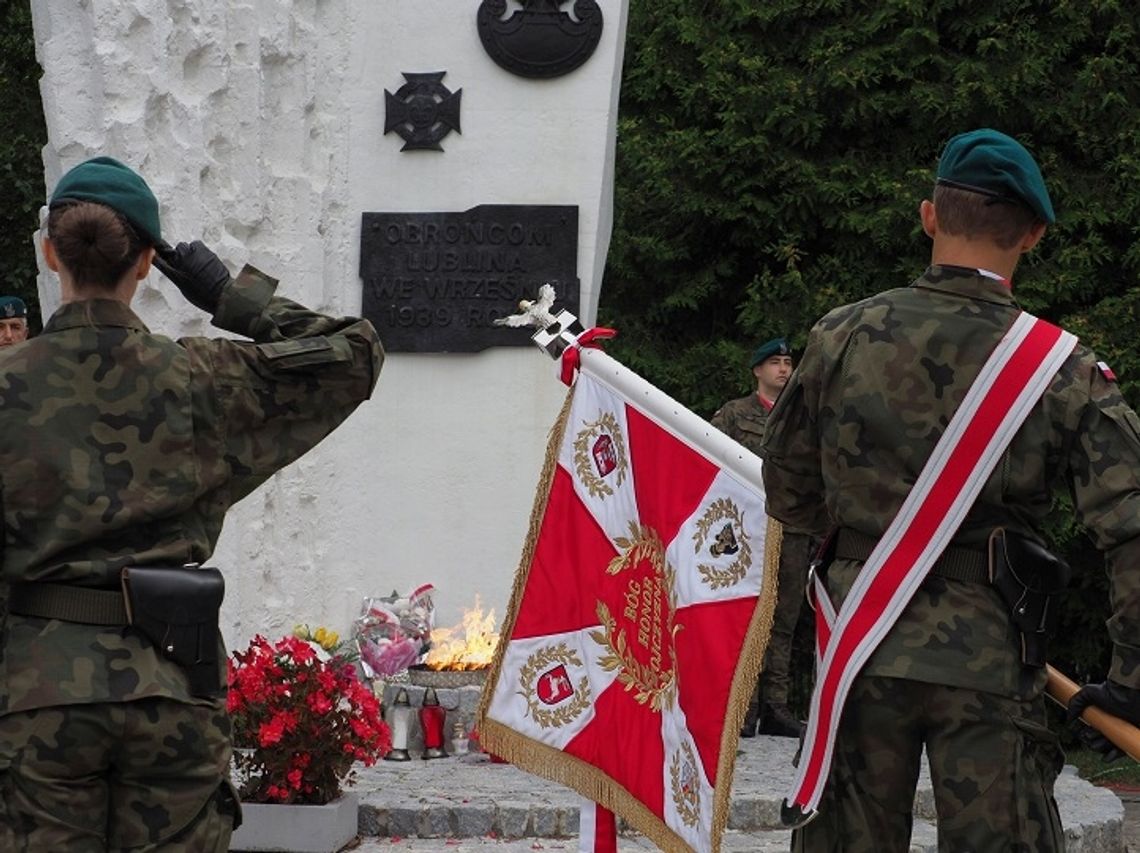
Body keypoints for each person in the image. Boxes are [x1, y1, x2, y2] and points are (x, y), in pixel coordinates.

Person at [761, 128, 1140, 852]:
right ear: (1032, 234)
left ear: (929, 216)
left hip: (858, 646)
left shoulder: (840, 336)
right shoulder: (1062, 368)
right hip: (991, 657)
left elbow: (788, 491)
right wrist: (1131, 678)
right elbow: (1131, 527)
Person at [0, 156, 383, 851]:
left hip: (37, 694)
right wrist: (229, 297)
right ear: (148, 263)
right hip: (171, 680)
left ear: (49, 251)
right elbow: (355, 355)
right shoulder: (201, 379)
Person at [712, 337, 811, 738]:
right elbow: (714, 462)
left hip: (793, 528)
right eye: (775, 362)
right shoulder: (735, 415)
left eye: (788, 362)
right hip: (747, 531)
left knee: (784, 618)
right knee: (747, 613)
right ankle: (743, 706)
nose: (784, 369)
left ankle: (775, 706)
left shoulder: (803, 418)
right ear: (757, 370)